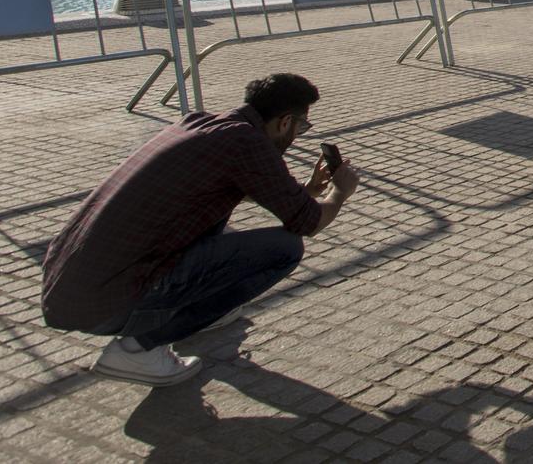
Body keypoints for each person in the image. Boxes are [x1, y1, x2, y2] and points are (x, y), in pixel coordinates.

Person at [41, 73, 360, 386]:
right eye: (301, 127)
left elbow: (246, 188)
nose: (297, 135)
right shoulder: (247, 143)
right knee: (284, 250)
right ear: (285, 122)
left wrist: (308, 190)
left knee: (218, 221)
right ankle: (138, 347)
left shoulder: (200, 124)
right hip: (107, 304)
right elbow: (309, 223)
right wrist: (339, 192)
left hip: (70, 289)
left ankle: (201, 312)